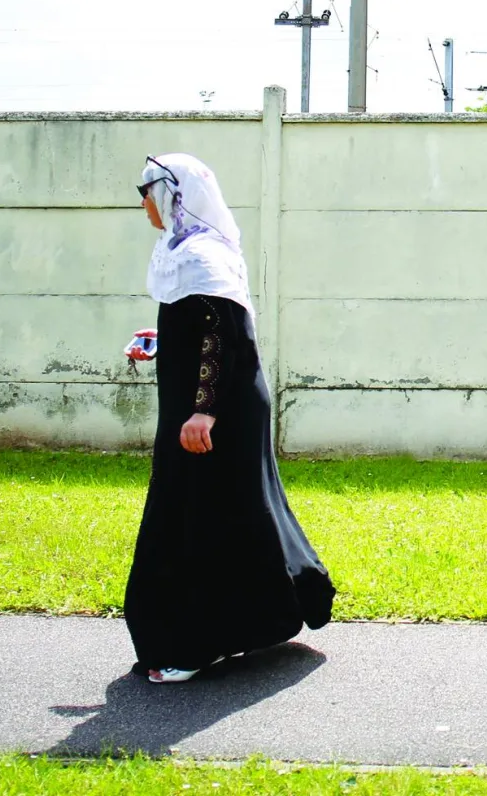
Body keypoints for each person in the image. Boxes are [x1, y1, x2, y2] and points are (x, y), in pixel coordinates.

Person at [122, 153, 335, 684]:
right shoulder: (184, 251)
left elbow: (225, 336)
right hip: (206, 407)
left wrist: (203, 411)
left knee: (200, 516)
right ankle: (261, 614)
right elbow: (200, 328)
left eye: (146, 192)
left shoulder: (202, 254)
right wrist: (161, 342)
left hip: (218, 414)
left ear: (173, 194)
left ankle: (195, 643)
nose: (143, 204)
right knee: (222, 512)